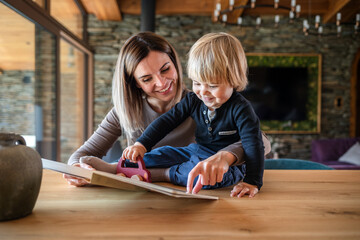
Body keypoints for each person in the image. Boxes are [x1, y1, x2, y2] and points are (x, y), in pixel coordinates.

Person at [64, 32, 270, 198]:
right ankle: (117, 169)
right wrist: (76, 168)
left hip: (194, 181)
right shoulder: (127, 109)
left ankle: (141, 174)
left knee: (196, 172)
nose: (162, 83)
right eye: (147, 78)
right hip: (154, 193)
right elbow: (82, 155)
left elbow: (259, 142)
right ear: (134, 83)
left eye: (165, 69)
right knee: (162, 153)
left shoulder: (224, 103)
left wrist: (229, 159)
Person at [122, 32, 265, 197]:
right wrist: (141, 144)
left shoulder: (241, 109)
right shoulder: (193, 99)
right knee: (159, 154)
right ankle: (126, 168)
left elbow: (254, 145)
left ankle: (160, 174)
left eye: (212, 85)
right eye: (197, 83)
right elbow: (166, 122)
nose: (203, 92)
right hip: (196, 150)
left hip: (230, 167)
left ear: (233, 79)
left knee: (206, 177)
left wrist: (252, 182)